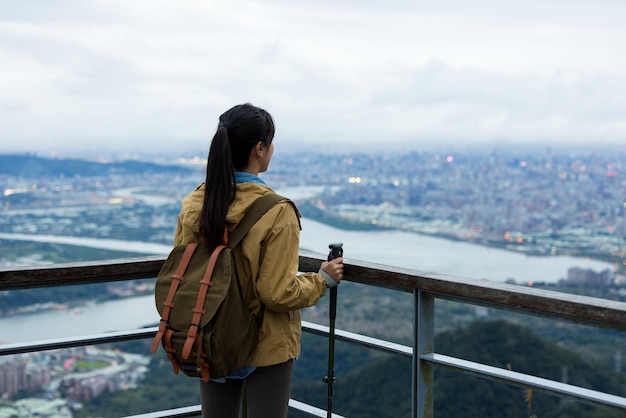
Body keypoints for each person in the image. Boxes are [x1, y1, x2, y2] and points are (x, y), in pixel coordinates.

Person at [173, 103, 344, 418]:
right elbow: (277, 292)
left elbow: (182, 273)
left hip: (210, 333)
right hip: (265, 343)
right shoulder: (277, 211)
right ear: (260, 148)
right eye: (271, 142)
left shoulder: (197, 201)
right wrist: (322, 279)